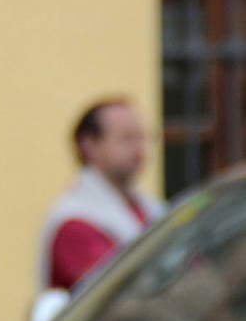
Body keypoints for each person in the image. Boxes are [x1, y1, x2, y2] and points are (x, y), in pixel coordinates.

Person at [38, 98, 165, 291]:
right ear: (89, 145)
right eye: (127, 138)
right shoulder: (76, 222)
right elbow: (121, 296)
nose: (140, 149)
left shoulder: (147, 207)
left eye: (142, 137)